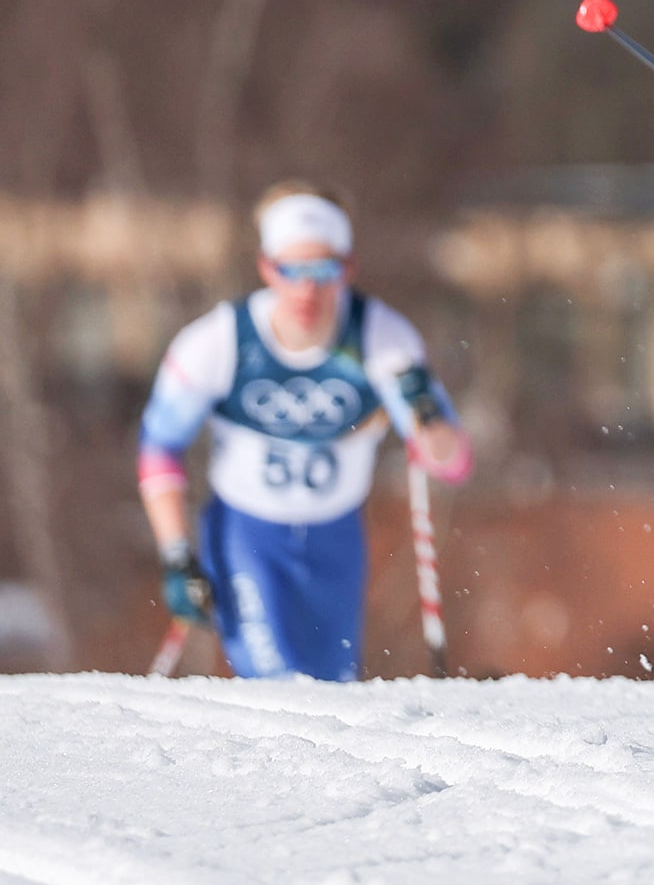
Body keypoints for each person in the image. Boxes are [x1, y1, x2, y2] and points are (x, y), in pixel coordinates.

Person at [137, 183, 472, 681]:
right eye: (292, 270)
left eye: (324, 270)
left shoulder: (383, 339)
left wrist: (427, 420)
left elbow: (452, 463)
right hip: (247, 534)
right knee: (277, 683)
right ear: (266, 267)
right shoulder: (218, 342)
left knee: (334, 687)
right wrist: (176, 554)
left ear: (348, 268)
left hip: (337, 537)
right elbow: (159, 447)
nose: (307, 290)